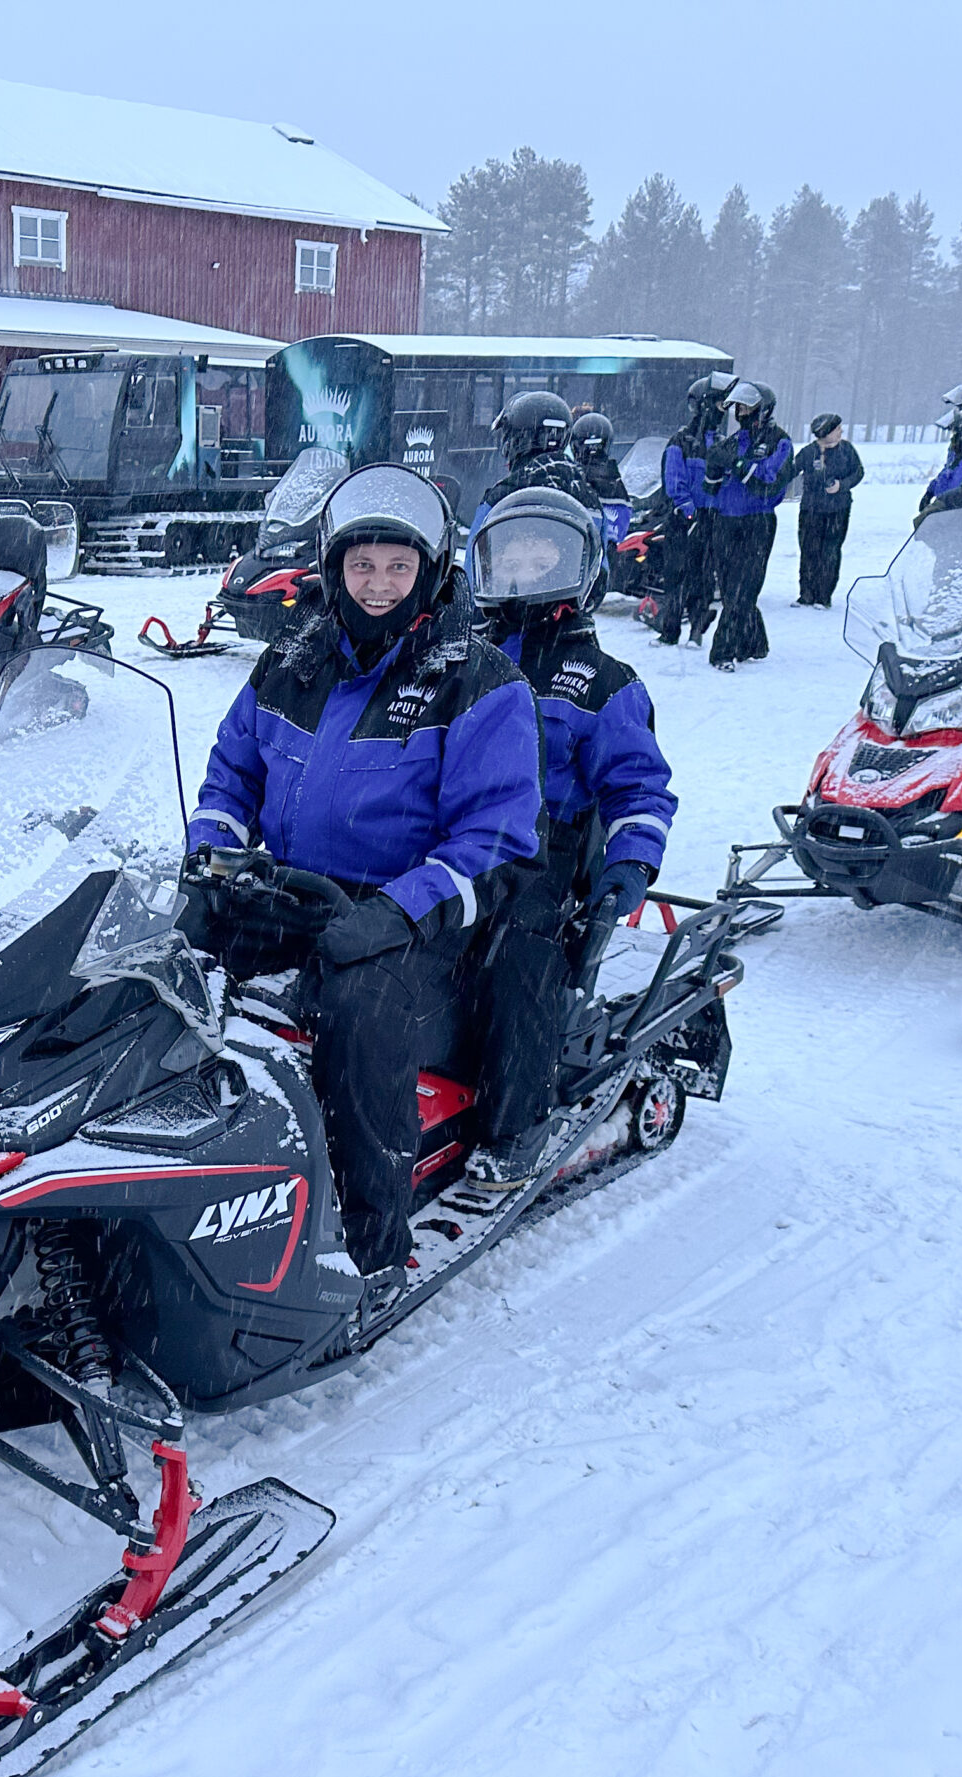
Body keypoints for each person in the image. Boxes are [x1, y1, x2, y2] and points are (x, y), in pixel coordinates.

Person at [187, 463, 541, 1290]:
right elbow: (231, 772)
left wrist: (397, 911)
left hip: (421, 923)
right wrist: (212, 850)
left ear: (432, 570)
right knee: (171, 958)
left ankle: (368, 1236)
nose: (377, 585)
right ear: (332, 566)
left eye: (397, 566)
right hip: (289, 890)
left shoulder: (478, 681)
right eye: (361, 565)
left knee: (356, 1007)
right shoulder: (292, 659)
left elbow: (496, 837)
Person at [461, 489, 675, 1187]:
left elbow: (639, 787)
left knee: (517, 956)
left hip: (545, 855)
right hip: (455, 832)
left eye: (542, 556)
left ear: (578, 568)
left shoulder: (603, 685)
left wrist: (631, 860)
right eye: (511, 556)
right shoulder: (456, 659)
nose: (524, 571)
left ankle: (515, 1122)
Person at [699, 380, 792, 667]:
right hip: (725, 522)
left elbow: (770, 484)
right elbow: (710, 488)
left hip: (757, 523)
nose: (740, 412)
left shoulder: (780, 441)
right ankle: (755, 643)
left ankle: (722, 652)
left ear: (763, 410)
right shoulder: (732, 440)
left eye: (746, 406)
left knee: (745, 588)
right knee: (729, 590)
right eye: (737, 407)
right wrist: (713, 468)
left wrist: (739, 466)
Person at [655, 372, 732, 646]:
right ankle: (669, 631)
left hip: (711, 521)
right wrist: (688, 510)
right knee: (677, 576)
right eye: (721, 405)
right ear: (706, 406)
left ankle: (696, 631)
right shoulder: (682, 441)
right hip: (683, 521)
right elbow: (674, 480)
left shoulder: (723, 442)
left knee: (703, 578)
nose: (724, 412)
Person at [479, 391, 606, 522]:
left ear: (515, 439)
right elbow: (601, 539)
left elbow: (477, 540)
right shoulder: (590, 499)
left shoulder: (499, 498)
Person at [792, 413, 861, 606]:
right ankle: (806, 593)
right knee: (808, 551)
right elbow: (790, 471)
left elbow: (858, 472)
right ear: (826, 432)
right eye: (837, 429)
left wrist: (842, 485)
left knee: (830, 552)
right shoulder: (808, 452)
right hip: (811, 510)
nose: (841, 432)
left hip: (838, 509)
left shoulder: (847, 450)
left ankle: (823, 596)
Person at [921, 406, 962, 514]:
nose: (954, 436)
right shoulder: (956, 455)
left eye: (956, 432)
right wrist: (930, 491)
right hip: (944, 508)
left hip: (959, 512)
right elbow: (945, 473)